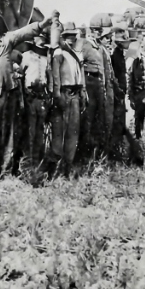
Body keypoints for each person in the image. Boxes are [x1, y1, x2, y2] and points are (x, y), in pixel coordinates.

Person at [0, 8, 51, 176]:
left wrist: (42, 24)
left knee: (8, 134)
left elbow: (23, 33)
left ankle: (6, 171)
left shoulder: (7, 39)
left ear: (1, 23)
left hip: (8, 94)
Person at [49, 22, 85, 177]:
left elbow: (80, 75)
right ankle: (55, 169)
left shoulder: (76, 54)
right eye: (67, 36)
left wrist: (83, 92)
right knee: (59, 133)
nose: (71, 39)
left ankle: (67, 167)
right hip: (63, 93)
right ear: (62, 37)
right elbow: (55, 76)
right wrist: (57, 95)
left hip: (75, 94)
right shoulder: (59, 53)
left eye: (73, 36)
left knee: (73, 132)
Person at [81, 15, 115, 159]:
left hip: (99, 87)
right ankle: (86, 155)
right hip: (90, 85)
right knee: (89, 121)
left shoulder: (99, 48)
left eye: (100, 31)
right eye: (97, 31)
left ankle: (98, 155)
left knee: (100, 121)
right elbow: (80, 68)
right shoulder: (85, 46)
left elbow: (105, 70)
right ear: (92, 31)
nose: (99, 34)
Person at [20, 33, 53, 166]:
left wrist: (50, 94)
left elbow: (50, 77)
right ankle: (27, 162)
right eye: (39, 37)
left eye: (43, 38)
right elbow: (20, 76)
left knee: (40, 131)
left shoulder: (46, 58)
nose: (41, 40)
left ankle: (37, 162)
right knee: (30, 131)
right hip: (29, 98)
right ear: (33, 39)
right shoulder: (26, 56)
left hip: (42, 97)